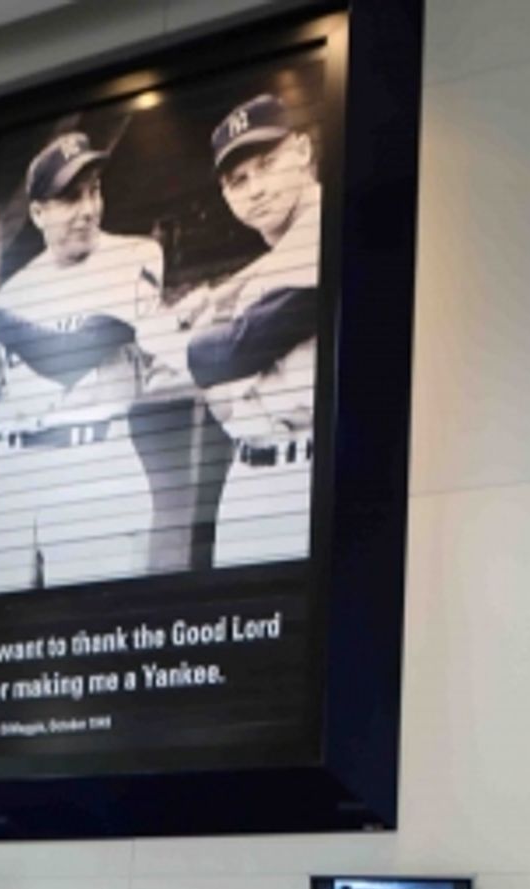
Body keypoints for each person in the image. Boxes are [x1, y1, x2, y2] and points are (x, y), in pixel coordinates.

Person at [0, 131, 165, 592]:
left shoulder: (135, 255)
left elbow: (69, 360)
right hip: (13, 471)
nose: (88, 209)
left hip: (92, 464)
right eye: (69, 197)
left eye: (93, 191)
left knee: (87, 619)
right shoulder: (16, 290)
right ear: (38, 213)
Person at [184, 93, 322, 567]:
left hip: (309, 473)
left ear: (302, 150)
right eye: (238, 180)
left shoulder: (330, 226)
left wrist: (183, 342)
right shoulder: (275, 258)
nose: (256, 189)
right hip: (251, 474)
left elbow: (226, 355)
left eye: (267, 164)